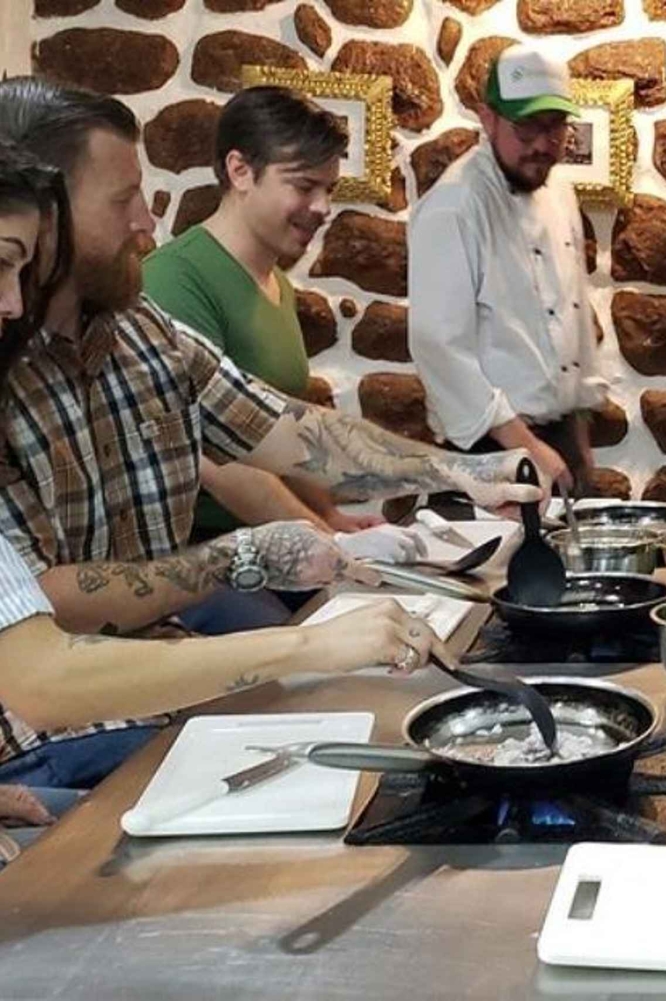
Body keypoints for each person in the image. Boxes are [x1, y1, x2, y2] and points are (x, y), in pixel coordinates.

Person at [0, 77, 538, 784]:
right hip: (60, 739)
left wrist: (460, 471)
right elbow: (45, 628)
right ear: (49, 212)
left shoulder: (140, 330)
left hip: (164, 689)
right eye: (123, 199)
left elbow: (290, 432)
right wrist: (249, 569)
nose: (148, 224)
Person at [144, 85, 387, 546]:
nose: (323, 207)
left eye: (329, 189)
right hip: (205, 553)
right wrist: (326, 542)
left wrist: (333, 518)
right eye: (303, 186)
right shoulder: (176, 280)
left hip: (275, 545)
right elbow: (219, 463)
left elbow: (279, 439)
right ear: (240, 170)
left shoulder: (279, 284)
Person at [409, 45, 608, 495]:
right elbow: (439, 347)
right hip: (488, 446)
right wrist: (524, 445)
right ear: (488, 119)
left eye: (554, 126)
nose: (542, 144)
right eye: (526, 128)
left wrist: (578, 435)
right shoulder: (455, 205)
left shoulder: (559, 190)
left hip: (558, 438)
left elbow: (574, 315)